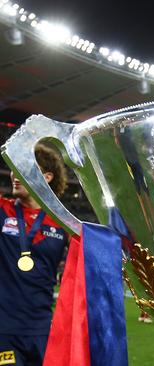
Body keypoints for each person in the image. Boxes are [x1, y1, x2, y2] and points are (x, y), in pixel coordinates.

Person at [0, 144, 69, 366]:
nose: (14, 175)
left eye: (24, 169)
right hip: (5, 330)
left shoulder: (63, 224)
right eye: (13, 168)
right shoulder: (3, 210)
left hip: (43, 330)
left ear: (47, 177)